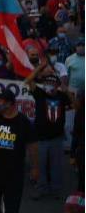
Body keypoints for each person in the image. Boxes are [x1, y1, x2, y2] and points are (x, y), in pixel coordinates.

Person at [25, 67, 71, 200]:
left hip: (57, 138)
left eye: (52, 84)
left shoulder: (62, 96)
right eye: (47, 83)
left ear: (57, 86)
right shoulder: (39, 93)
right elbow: (28, 80)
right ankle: (41, 189)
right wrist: (41, 67)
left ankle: (56, 190)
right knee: (41, 165)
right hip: (41, 138)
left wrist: (67, 90)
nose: (49, 86)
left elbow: (76, 105)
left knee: (56, 166)